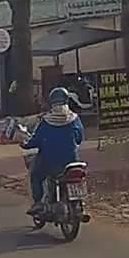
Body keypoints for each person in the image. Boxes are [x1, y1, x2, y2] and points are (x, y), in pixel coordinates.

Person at [21, 87, 85, 216]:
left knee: (35, 175)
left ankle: (38, 202)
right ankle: (79, 205)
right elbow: (79, 138)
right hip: (72, 162)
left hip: (50, 163)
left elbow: (35, 140)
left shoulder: (46, 121)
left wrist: (25, 144)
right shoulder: (74, 119)